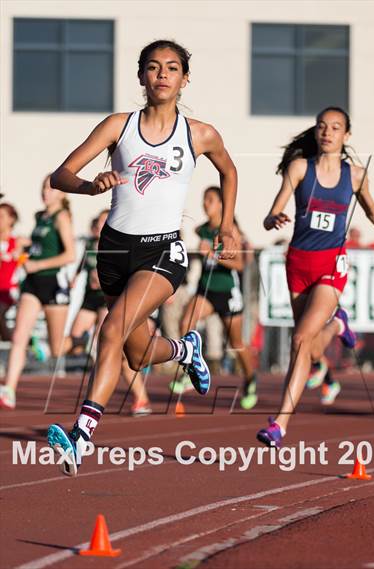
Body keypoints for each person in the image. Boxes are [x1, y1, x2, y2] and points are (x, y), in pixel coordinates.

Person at [46, 39, 238, 476]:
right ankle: (184, 349)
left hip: (163, 251)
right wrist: (90, 186)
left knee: (110, 330)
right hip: (114, 250)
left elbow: (228, 170)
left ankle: (81, 436)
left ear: (184, 79)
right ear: (141, 77)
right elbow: (61, 175)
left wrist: (226, 225)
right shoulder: (118, 125)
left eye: (172, 68)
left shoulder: (199, 133)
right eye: (153, 67)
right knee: (136, 352)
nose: (162, 75)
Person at [257, 106, 374, 448]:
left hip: (332, 265)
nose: (327, 132)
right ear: (316, 132)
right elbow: (273, 212)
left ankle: (279, 424)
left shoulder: (355, 176)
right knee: (306, 347)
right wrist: (273, 221)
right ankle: (337, 325)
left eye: (335, 127)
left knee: (300, 339)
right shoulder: (300, 168)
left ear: (346, 136)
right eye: (322, 126)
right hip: (298, 264)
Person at [170, 186, 258, 409]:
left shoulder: (231, 231)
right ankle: (190, 369)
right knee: (185, 323)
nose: (205, 204)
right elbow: (198, 232)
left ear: (221, 204)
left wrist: (212, 254)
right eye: (204, 200)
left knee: (236, 344)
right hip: (206, 289)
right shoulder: (202, 230)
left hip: (227, 291)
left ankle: (250, 380)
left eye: (210, 200)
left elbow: (239, 264)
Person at [64, 210, 152, 416]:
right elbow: (82, 264)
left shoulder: (118, 244)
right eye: (98, 222)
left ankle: (140, 397)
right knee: (74, 338)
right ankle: (88, 345)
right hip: (91, 298)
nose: (99, 226)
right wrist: (76, 278)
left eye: (104, 221)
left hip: (111, 298)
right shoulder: (90, 245)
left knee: (115, 351)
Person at [0, 176, 75, 409]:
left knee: (57, 348)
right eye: (43, 187)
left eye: (51, 189)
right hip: (32, 285)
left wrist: (38, 265)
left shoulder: (61, 217)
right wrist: (23, 252)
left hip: (53, 283)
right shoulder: (39, 217)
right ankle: (9, 389)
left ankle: (79, 341)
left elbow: (70, 255)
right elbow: (38, 249)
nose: (45, 192)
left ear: (62, 194)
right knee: (20, 336)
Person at [0, 203, 29, 341]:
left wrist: (21, 254)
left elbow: (33, 249)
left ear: (11, 219)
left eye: (1, 216)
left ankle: (18, 341)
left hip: (9, 290)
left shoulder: (18, 241)